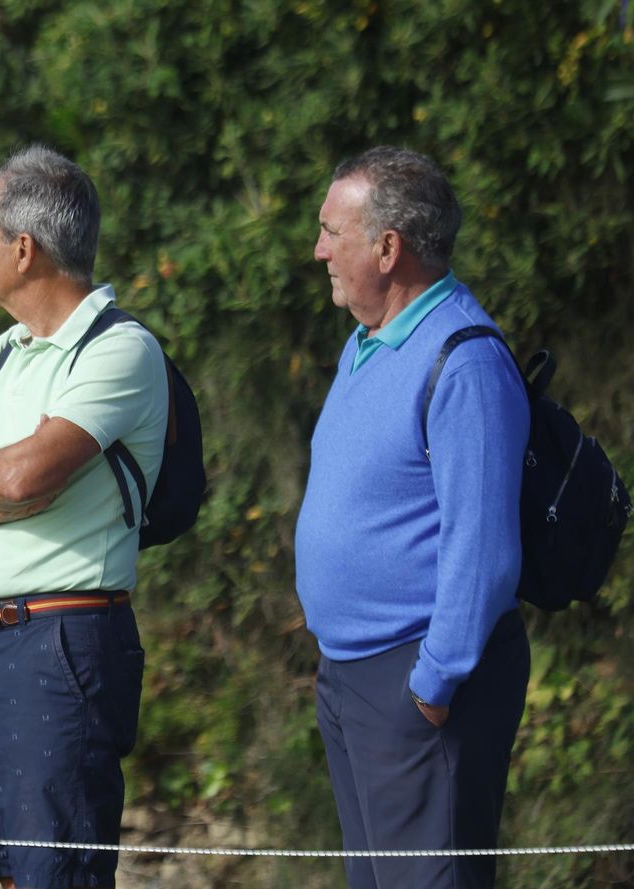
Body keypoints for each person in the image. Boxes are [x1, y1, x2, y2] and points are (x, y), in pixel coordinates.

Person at [0, 145, 167, 889]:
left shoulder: (119, 348)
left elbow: (28, 474)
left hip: (63, 641)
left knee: (55, 874)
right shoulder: (4, 351)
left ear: (23, 250)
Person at [296, 146, 530, 889]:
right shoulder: (365, 344)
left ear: (387, 247)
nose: (319, 249)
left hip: (421, 682)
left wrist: (432, 687)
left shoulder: (465, 361)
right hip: (353, 676)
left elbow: (483, 553)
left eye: (334, 231)